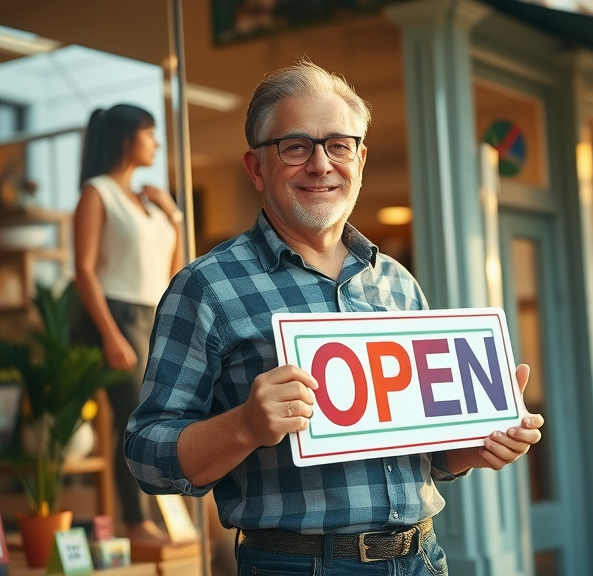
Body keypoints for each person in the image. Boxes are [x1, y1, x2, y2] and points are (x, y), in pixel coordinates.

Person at [124, 61, 544, 574]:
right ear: (256, 168)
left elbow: (430, 460)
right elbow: (146, 455)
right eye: (295, 147)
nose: (321, 165)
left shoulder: (398, 283)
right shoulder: (206, 288)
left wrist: (476, 447)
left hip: (423, 559)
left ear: (360, 160)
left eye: (338, 145)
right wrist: (246, 426)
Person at [72, 103, 184, 545]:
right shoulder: (97, 192)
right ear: (126, 139)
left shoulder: (150, 203)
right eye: (149, 133)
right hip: (116, 314)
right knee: (135, 418)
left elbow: (177, 271)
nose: (156, 143)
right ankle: (136, 523)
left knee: (163, 415)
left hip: (154, 314)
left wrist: (172, 214)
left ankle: (163, 518)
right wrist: (110, 333)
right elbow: (83, 269)